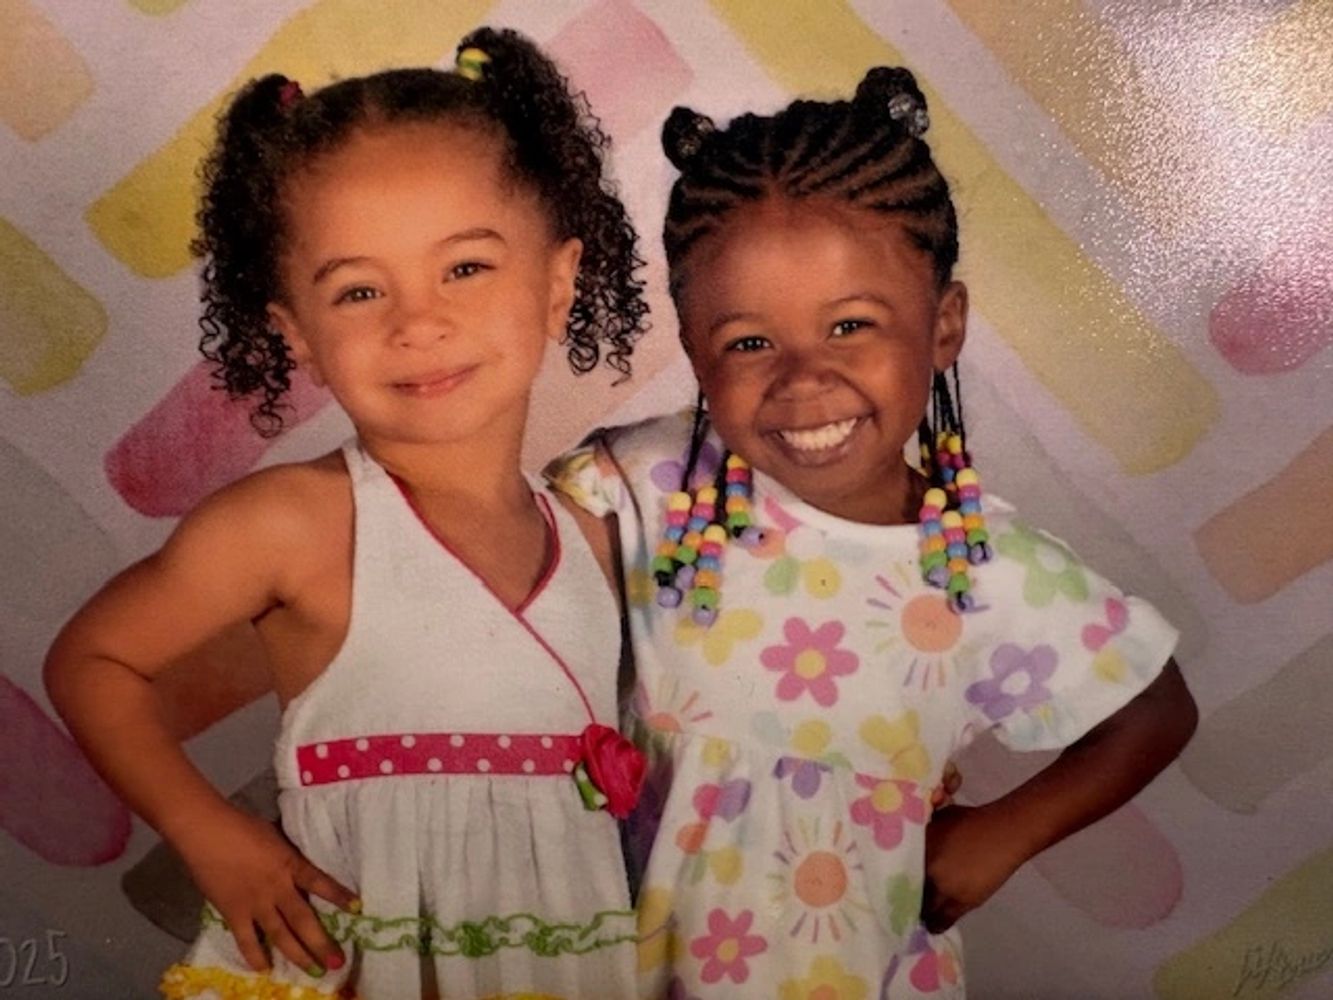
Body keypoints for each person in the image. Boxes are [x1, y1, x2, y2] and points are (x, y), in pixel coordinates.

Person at [547, 67, 1197, 998]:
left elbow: (1153, 710)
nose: (803, 378)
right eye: (747, 342)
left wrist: (1001, 835)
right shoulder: (640, 487)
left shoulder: (979, 566)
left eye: (851, 325)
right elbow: (499, 606)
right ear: (693, 349)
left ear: (942, 327)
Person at [45, 26, 649, 1000]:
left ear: (556, 283)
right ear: (302, 338)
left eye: (464, 268)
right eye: (359, 290)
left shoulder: (589, 537)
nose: (417, 321)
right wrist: (207, 832)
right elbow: (91, 661)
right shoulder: (296, 521)